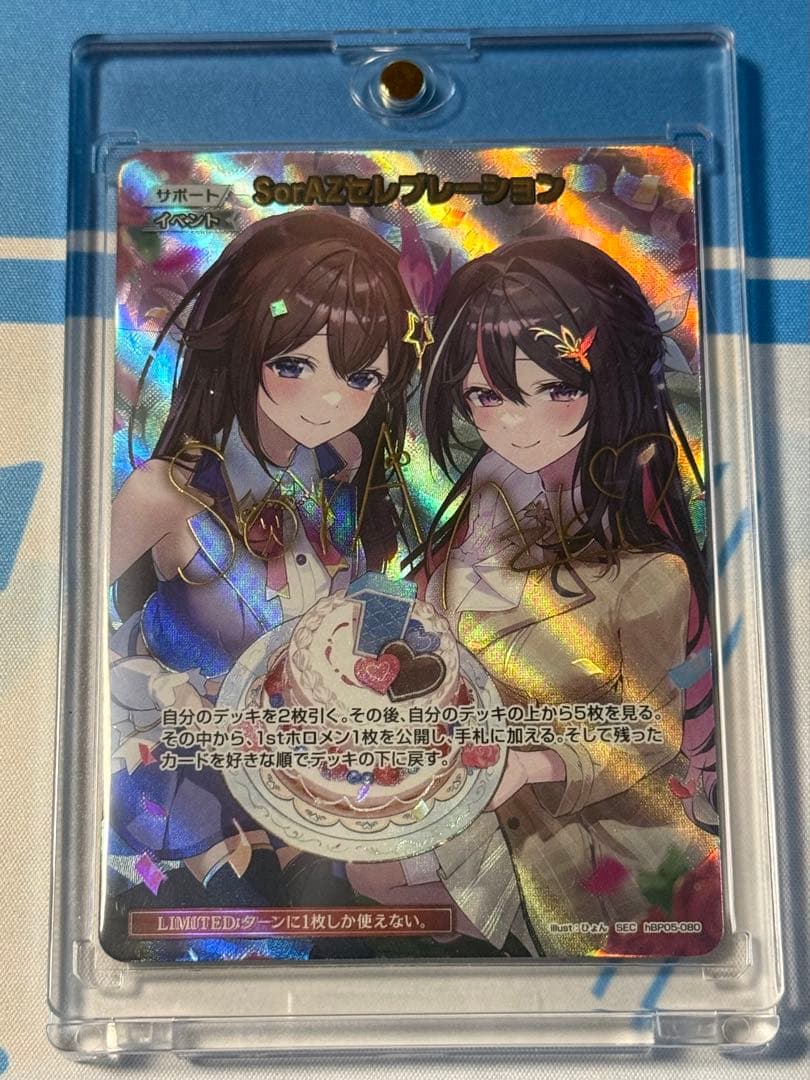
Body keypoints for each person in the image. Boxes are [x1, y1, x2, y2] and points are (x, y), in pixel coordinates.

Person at [350, 236, 718, 957]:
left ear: (606, 383)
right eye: (487, 396)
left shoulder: (649, 572)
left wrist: (534, 763)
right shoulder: (483, 512)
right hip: (478, 793)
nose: (518, 423)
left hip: (603, 844)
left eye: (557, 389)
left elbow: (652, 731)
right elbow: (424, 618)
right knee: (366, 871)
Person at [106, 211, 416, 949]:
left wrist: (384, 665)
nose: (330, 400)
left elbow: (370, 598)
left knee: (350, 915)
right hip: (177, 756)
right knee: (251, 930)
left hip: (312, 758)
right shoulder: (166, 492)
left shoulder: (343, 467)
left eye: (361, 376)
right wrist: (155, 687)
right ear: (244, 345)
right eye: (294, 364)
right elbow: (59, 617)